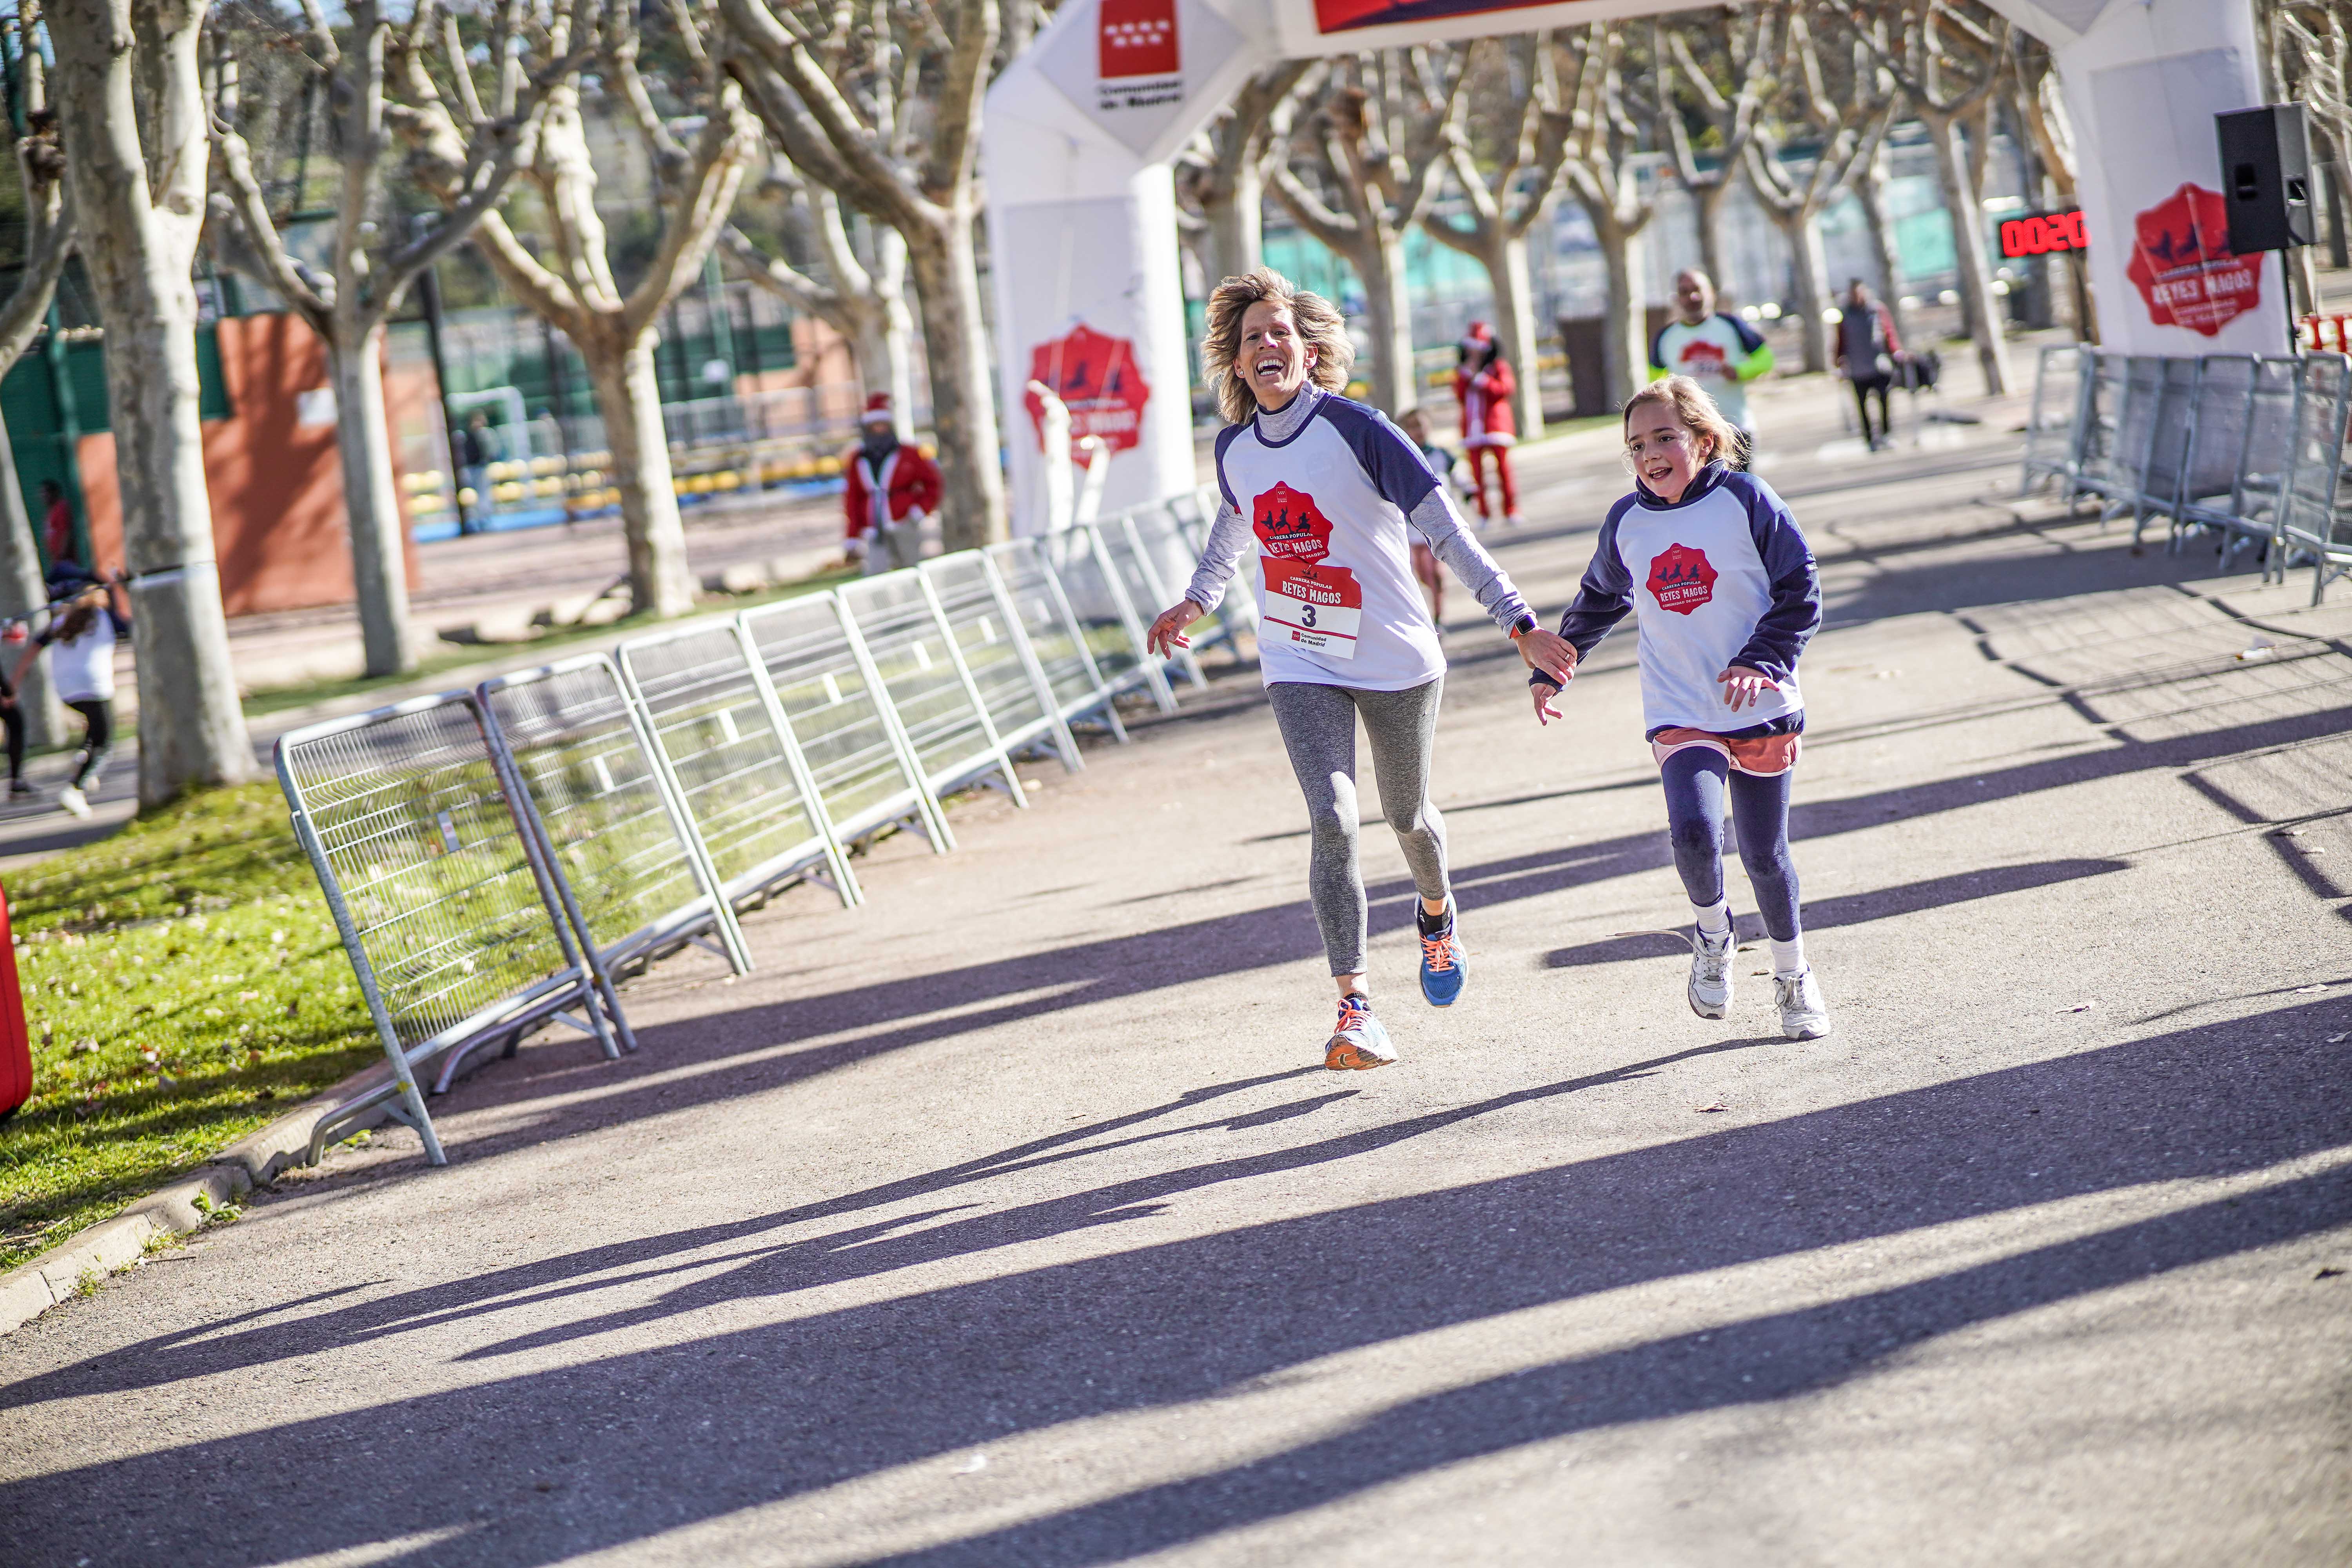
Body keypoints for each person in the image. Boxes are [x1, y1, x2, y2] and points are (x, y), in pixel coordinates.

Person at [1145, 268, 1575, 1071]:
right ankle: (1356, 1005)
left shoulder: (1361, 428)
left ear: (1307, 352)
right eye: (1251, 339)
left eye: (1279, 333)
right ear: (1238, 366)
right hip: (1298, 653)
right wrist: (1194, 603)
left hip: (1395, 654)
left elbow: (1447, 531)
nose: (1266, 346)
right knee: (1333, 818)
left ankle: (1437, 914)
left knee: (1405, 815)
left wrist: (1517, 620)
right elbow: (1230, 534)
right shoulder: (1236, 448)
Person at [1525, 376, 1830, 1040]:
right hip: (1681, 706)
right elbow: (1600, 599)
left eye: (1665, 438)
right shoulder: (1627, 522)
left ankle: (1793, 973)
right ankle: (1714, 934)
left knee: (1764, 855)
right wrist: (1555, 667)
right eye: (1636, 445)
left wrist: (1762, 659)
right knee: (1693, 833)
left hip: (1760, 702)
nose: (1650, 454)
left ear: (1705, 439)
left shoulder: (1747, 500)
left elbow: (1801, 591)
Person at [9, 568, 129, 819]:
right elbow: (131, 624)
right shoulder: (103, 616)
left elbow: (31, 651)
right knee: (105, 742)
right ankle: (76, 788)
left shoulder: (61, 621)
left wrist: (13, 686)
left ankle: (83, 756)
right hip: (95, 685)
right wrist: (123, 588)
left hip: (66, 690)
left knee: (94, 730)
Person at [1648, 269, 1773, 461]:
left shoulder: (1730, 326)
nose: (1693, 297)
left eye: (1698, 289)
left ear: (1712, 293)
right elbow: (1655, 382)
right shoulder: (1666, 338)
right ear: (1676, 299)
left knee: (1735, 490)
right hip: (1690, 436)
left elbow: (1766, 359)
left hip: (1735, 427)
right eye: (1684, 292)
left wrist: (1739, 372)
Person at [841, 393, 941, 574]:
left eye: (883, 425)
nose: (879, 430)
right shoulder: (859, 459)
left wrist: (918, 511)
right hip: (874, 526)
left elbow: (933, 484)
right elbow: (853, 498)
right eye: (875, 426)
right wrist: (853, 535)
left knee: (912, 570)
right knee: (876, 574)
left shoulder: (909, 454)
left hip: (904, 521)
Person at [1452, 322, 1521, 527]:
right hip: (1472, 429)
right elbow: (1460, 395)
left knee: (1504, 470)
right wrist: (1467, 375)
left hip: (1495, 426)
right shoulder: (1463, 371)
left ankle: (1511, 510)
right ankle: (1484, 513)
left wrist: (1481, 379)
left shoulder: (1498, 367)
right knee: (1477, 474)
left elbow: (1504, 390)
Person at [1395, 407, 1451, 628]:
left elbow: (1457, 475)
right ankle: (1426, 614)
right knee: (1422, 574)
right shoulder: (1402, 458)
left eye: (1420, 425)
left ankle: (1439, 617)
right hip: (1413, 526)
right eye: (1411, 427)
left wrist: (1469, 490)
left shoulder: (1442, 456)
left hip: (1439, 523)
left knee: (1437, 573)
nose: (1417, 431)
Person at [1835, 278, 1902, 452]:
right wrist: (1839, 360)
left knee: (1884, 400)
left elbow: (1889, 333)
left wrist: (1896, 352)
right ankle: (1869, 439)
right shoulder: (1845, 314)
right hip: (1857, 368)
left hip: (1878, 365)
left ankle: (1886, 434)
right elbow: (1841, 341)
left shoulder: (1877, 311)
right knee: (1862, 406)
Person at [457, 412, 499, 530]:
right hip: (476, 468)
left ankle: (483, 520)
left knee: (482, 495)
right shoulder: (473, 436)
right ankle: (481, 520)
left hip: (478, 467)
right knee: (480, 495)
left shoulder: (476, 435)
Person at [39, 481, 74, 567]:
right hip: (56, 558)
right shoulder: (51, 511)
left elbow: (66, 531)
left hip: (64, 558)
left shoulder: (61, 507)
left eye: (46, 493)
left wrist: (62, 554)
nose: (44, 496)